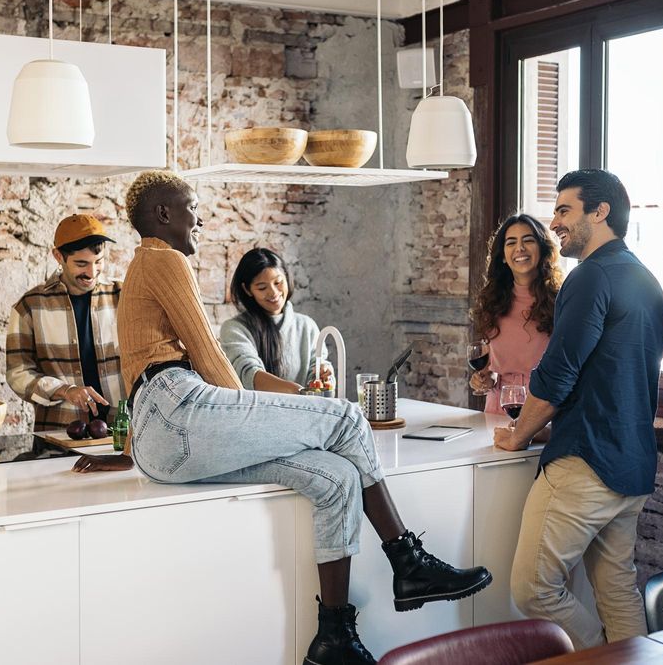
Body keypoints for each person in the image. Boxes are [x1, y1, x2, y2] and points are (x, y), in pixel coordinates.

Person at [74, 170, 492, 665]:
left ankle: (333, 636)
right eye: (191, 207)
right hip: (177, 410)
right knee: (346, 418)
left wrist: (131, 449)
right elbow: (209, 356)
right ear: (163, 214)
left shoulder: (142, 266)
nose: (200, 217)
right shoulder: (163, 257)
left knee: (335, 477)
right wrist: (246, 407)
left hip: (163, 434)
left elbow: (138, 370)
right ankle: (408, 561)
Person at [495, 169, 663, 649]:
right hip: (633, 464)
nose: (554, 223)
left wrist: (518, 435)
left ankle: (596, 657)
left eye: (565, 210)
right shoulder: (646, 280)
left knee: (532, 590)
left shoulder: (590, 277)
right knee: (617, 590)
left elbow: (557, 374)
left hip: (586, 461)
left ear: (601, 212)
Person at [6, 214, 124, 431]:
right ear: (58, 256)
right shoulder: (29, 306)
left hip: (122, 432)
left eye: (99, 262)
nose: (91, 272)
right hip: (59, 433)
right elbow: (18, 373)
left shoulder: (124, 296)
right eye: (81, 264)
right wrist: (65, 390)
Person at [469, 213, 563, 419]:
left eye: (528, 240)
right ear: (503, 255)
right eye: (511, 242)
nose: (520, 248)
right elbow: (493, 368)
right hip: (498, 408)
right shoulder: (492, 301)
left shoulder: (562, 299)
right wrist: (485, 378)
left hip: (542, 408)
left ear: (543, 248)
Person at [220, 247, 332, 393]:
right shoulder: (234, 329)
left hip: (305, 413)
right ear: (247, 290)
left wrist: (323, 375)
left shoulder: (307, 326)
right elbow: (248, 374)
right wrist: (299, 392)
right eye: (262, 288)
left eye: (278, 282)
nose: (273, 292)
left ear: (286, 277)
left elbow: (317, 373)